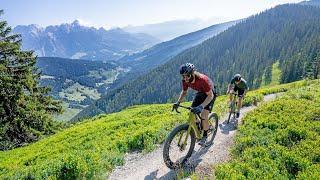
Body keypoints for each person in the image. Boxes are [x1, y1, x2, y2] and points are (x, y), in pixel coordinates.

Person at [173, 63, 216, 146]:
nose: (185, 78)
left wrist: (201, 106)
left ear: (192, 73)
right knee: (192, 111)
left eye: (187, 76)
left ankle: (205, 135)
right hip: (201, 92)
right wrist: (178, 102)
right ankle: (199, 127)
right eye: (183, 76)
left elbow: (210, 96)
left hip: (210, 94)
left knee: (204, 115)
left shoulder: (202, 80)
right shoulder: (185, 80)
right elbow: (184, 92)